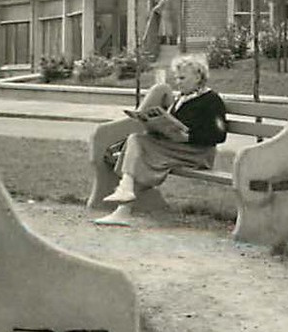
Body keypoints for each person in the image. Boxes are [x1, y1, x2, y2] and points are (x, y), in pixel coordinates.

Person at [96, 54, 227, 224]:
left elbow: (219, 134)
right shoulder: (181, 98)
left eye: (182, 78)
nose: (178, 82)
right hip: (175, 149)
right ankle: (124, 202)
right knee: (136, 140)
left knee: (137, 144)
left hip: (197, 153)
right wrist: (154, 126)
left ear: (198, 77)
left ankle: (125, 194)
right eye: (176, 78)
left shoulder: (212, 100)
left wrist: (188, 137)